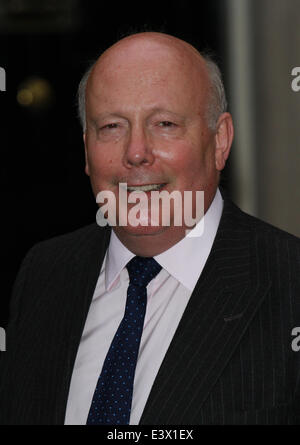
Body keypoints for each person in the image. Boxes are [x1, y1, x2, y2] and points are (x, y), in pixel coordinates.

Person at [0, 32, 299, 425]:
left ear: (221, 140)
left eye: (165, 123)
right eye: (111, 126)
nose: (136, 152)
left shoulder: (290, 284)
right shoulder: (43, 274)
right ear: (86, 147)